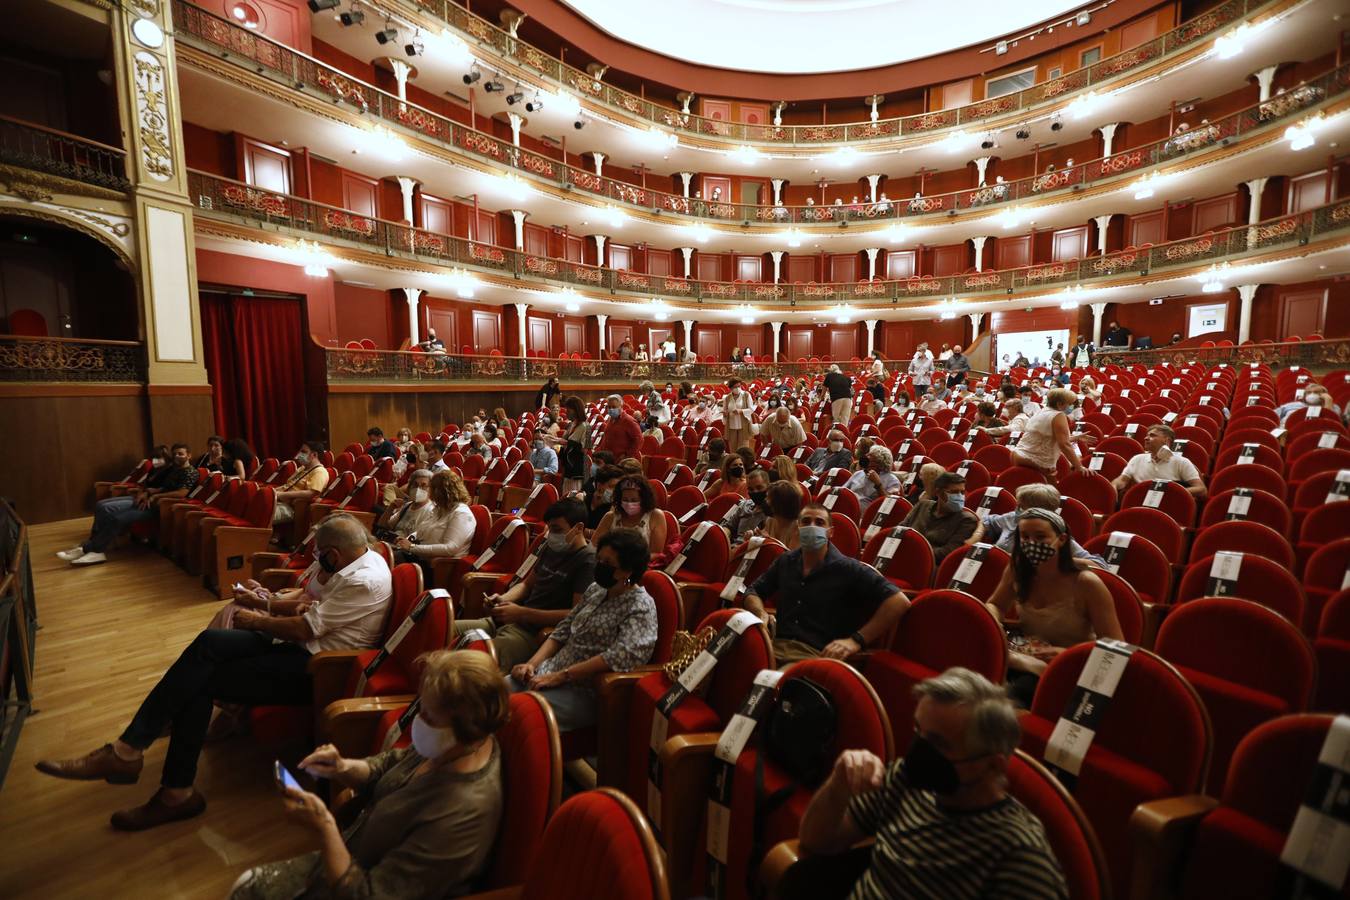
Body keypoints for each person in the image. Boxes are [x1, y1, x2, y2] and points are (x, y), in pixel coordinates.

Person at [38, 515, 392, 829]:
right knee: (209, 644)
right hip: (297, 647)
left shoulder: (364, 580)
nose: (316, 561)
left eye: (320, 555)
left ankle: (167, 785)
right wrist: (266, 604)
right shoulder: (349, 559)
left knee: (199, 683)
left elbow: (304, 628)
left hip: (315, 669)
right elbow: (306, 600)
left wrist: (258, 618)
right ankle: (129, 752)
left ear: (334, 554)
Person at [230, 650, 506, 899]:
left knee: (247, 890)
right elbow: (391, 763)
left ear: (465, 727)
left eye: (429, 716)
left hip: (359, 881)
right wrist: (342, 767)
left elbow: (369, 895)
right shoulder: (456, 745)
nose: (419, 720)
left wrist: (325, 826)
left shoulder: (460, 815)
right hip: (355, 853)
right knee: (248, 886)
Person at [788, 668, 1069, 900]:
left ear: (992, 765)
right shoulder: (904, 779)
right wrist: (838, 786)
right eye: (917, 731)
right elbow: (816, 841)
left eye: (937, 743)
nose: (918, 751)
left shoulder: (1019, 857)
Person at [507, 529, 657, 731]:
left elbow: (620, 656)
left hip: (586, 690)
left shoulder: (640, 606)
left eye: (608, 564)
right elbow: (563, 630)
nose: (600, 566)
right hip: (549, 671)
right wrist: (531, 664)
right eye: (599, 559)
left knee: (514, 712)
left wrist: (560, 676)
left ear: (628, 571)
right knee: (492, 695)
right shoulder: (596, 589)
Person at [743, 502, 909, 666]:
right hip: (773, 646)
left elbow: (899, 602)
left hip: (814, 657)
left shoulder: (848, 568)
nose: (812, 527)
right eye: (806, 522)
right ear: (798, 528)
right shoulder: (786, 561)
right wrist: (760, 613)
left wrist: (856, 640)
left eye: (820, 523)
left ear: (830, 532)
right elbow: (754, 591)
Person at [987, 509, 1123, 707]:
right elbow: (995, 604)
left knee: (1004, 699)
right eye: (1025, 537)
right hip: (1027, 653)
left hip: (1071, 663)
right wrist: (993, 622)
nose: (1031, 543)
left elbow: (1114, 645)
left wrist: (1067, 654)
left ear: (1061, 539)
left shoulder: (1086, 582)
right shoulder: (1018, 568)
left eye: (1040, 537)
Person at [454, 499, 595, 671]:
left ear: (578, 528)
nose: (551, 535)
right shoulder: (552, 548)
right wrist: (501, 599)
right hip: (510, 622)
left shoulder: (588, 561)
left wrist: (522, 613)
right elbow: (526, 585)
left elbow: (575, 614)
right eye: (550, 529)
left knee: (469, 658)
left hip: (534, 634)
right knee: (446, 630)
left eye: (557, 529)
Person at [60, 443, 200, 567]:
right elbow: (163, 487)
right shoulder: (175, 470)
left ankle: (91, 549)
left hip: (163, 506)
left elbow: (182, 493)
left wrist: (155, 496)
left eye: (180, 454)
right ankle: (93, 546)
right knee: (106, 509)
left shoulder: (191, 472)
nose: (177, 456)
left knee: (117, 518)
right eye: (175, 453)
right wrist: (148, 492)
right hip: (151, 500)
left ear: (189, 455)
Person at [971, 483, 1107, 565]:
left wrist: (1055, 560)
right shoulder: (1012, 518)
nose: (1016, 509)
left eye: (1021, 506)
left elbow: (1098, 565)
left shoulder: (1055, 534)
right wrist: (975, 538)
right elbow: (987, 520)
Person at [392, 470, 477, 578]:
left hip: (439, 568)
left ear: (443, 491)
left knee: (393, 561)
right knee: (387, 554)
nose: (430, 493)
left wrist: (412, 547)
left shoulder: (461, 513)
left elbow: (450, 548)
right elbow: (420, 532)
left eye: (432, 489)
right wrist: (407, 539)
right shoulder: (440, 509)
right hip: (420, 557)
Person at [900, 472, 979, 563]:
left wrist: (911, 553)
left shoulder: (967, 520)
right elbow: (901, 529)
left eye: (962, 492)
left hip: (928, 565)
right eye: (954, 492)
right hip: (902, 556)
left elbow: (948, 553)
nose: (960, 497)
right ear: (938, 492)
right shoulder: (922, 505)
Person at [1111, 425, 1207, 499]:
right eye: (1147, 435)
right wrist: (1114, 486)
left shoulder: (1181, 462)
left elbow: (1201, 489)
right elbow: (1122, 480)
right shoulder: (1137, 459)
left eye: (1152, 435)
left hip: (1169, 506)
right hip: (1139, 502)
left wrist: (1171, 493)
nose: (1146, 438)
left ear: (1167, 441)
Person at [1012, 388, 1084, 479]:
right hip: (1034, 460)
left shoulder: (1042, 411)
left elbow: (1050, 436)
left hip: (1019, 455)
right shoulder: (1058, 415)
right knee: (1050, 491)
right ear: (1059, 404)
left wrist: (1075, 437)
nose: (1071, 407)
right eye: (1069, 404)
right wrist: (1079, 467)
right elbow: (1064, 445)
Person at [593, 475, 667, 555]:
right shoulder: (610, 517)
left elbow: (656, 554)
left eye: (634, 500)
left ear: (644, 499)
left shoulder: (656, 516)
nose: (629, 504)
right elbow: (593, 546)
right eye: (625, 500)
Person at [271, 441, 332, 525]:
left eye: (303, 452)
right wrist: (271, 492)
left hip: (291, 507)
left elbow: (311, 493)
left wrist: (281, 495)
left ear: (314, 455)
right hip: (279, 502)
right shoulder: (302, 469)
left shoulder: (320, 472)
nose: (299, 454)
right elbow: (287, 485)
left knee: (263, 514)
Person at [374, 469, 436, 542]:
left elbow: (419, 540)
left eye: (423, 485)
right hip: (392, 542)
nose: (418, 489)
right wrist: (391, 508)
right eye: (415, 485)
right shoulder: (407, 505)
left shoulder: (431, 511)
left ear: (431, 490)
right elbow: (382, 525)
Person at [722, 467, 771, 542]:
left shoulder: (773, 513)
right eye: (751, 489)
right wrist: (723, 538)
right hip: (734, 546)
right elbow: (729, 526)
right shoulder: (744, 504)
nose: (755, 492)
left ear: (768, 487)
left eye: (759, 487)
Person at [557, 396, 590, 495]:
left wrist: (567, 443)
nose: (566, 412)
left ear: (576, 410)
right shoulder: (571, 425)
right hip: (568, 468)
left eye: (568, 409)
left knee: (574, 497)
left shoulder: (586, 427)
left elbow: (585, 450)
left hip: (577, 470)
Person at [759, 481, 803, 549]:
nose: (765, 501)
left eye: (768, 498)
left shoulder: (798, 530)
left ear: (780, 504)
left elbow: (790, 558)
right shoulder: (770, 520)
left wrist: (769, 542)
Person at [581, 464, 624, 531]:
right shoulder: (583, 499)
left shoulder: (615, 508)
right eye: (612, 486)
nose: (616, 491)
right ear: (599, 485)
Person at [600, 394, 642, 461]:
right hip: (609, 460)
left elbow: (639, 440)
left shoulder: (629, 421)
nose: (611, 409)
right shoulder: (610, 420)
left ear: (621, 406)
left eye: (614, 407)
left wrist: (627, 455)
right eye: (609, 407)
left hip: (622, 462)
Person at [722, 378, 754, 450]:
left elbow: (751, 409)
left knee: (743, 449)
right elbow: (725, 410)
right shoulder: (727, 398)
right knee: (733, 448)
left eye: (739, 386)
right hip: (731, 426)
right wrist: (725, 414)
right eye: (735, 387)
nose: (737, 388)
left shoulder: (746, 395)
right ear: (730, 388)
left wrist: (741, 411)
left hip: (743, 426)